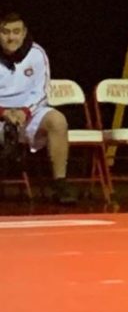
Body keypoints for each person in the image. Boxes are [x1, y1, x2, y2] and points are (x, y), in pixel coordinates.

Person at [0, 12, 75, 204]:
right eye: (5, 32)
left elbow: (41, 91)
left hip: (29, 112)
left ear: (24, 33)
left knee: (57, 120)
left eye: (16, 32)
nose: (11, 37)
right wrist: (4, 113)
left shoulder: (37, 53)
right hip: (1, 112)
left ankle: (60, 183)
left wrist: (24, 112)